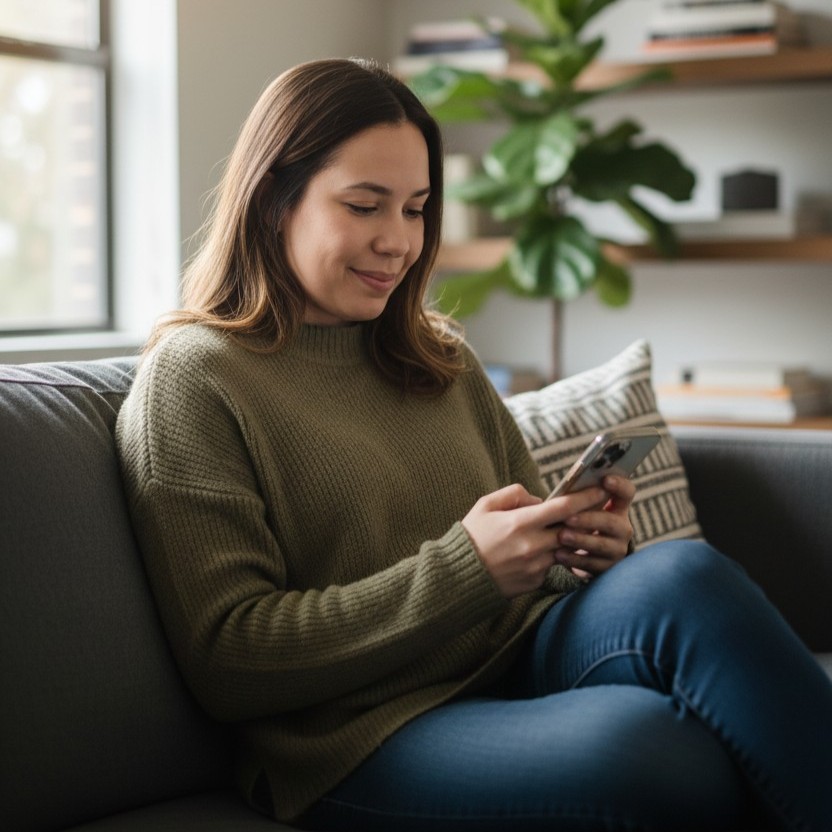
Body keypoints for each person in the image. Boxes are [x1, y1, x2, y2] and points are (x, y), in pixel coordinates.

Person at [115, 57, 832, 832]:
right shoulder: (196, 381)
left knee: (684, 574)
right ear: (271, 201)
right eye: (365, 205)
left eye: (417, 209)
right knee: (654, 752)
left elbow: (530, 575)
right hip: (363, 730)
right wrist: (469, 569)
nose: (398, 241)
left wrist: (579, 549)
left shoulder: (438, 357)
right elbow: (229, 657)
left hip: (518, 653)